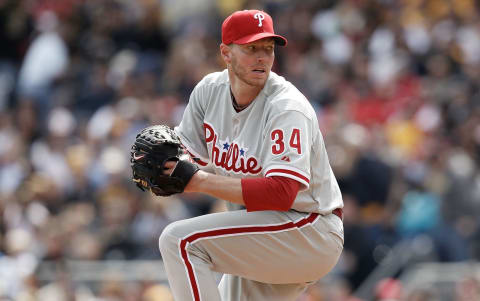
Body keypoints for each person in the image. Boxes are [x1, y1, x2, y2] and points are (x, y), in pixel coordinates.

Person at [158, 9, 344, 301]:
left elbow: (282, 191)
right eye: (251, 48)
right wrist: (159, 166)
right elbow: (184, 156)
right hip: (264, 230)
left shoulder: (286, 107)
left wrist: (197, 182)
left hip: (309, 228)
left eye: (267, 49)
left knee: (180, 241)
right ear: (226, 53)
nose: (262, 57)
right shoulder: (209, 91)